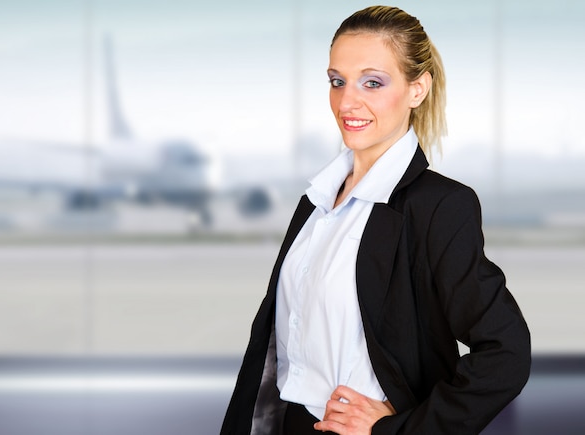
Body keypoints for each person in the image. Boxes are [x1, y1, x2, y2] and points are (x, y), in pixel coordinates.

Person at [221, 5, 531, 435]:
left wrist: (401, 429)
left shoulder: (439, 206)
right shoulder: (316, 201)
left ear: (417, 89)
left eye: (372, 82)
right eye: (337, 81)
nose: (348, 101)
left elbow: (506, 353)